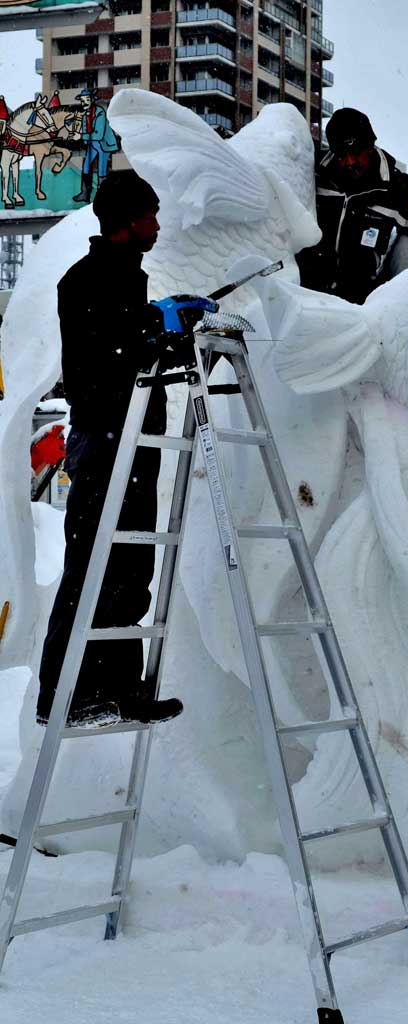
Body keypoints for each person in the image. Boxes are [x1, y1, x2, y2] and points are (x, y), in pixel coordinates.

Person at [36, 170, 217, 727]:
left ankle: (119, 688)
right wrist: (151, 324)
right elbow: (106, 355)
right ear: (124, 222)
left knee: (130, 570)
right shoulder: (84, 280)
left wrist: (170, 327)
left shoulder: (127, 279)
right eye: (150, 215)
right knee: (89, 568)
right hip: (103, 444)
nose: (157, 225)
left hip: (134, 445)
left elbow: (133, 345)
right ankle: (60, 696)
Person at [296, 107, 408, 305]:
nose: (349, 162)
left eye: (355, 153)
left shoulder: (397, 189)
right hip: (303, 300)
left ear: (370, 145)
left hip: (358, 309)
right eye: (341, 155)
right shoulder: (312, 172)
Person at [72, 89, 119, 204]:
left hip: (104, 144)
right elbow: (85, 129)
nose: (85, 103)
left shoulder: (100, 112)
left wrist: (81, 136)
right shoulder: (84, 114)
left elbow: (98, 134)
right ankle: (85, 193)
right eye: (83, 101)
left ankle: (103, 194)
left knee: (102, 171)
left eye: (87, 100)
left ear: (92, 100)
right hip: (92, 144)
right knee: (86, 167)